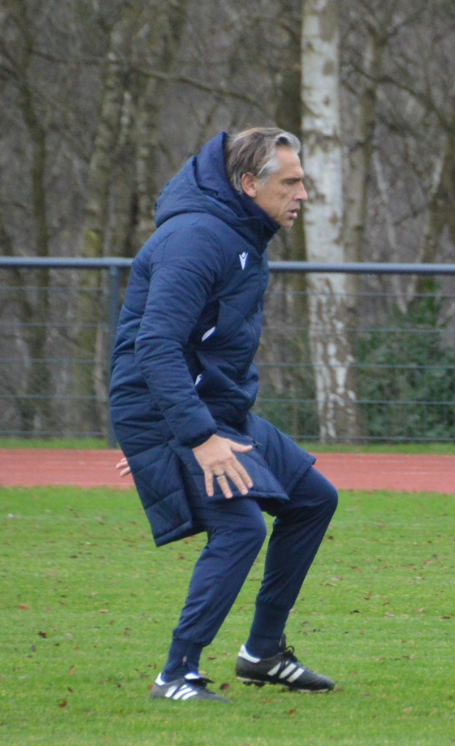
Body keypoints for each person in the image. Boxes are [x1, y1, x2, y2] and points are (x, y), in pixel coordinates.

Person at [110, 128, 337, 702]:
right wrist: (185, 435)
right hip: (187, 414)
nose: (302, 193)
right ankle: (176, 673)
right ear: (246, 183)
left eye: (302, 180)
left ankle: (262, 653)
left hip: (211, 407)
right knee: (240, 529)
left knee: (313, 498)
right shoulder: (196, 238)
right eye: (290, 182)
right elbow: (154, 346)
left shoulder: (240, 234)